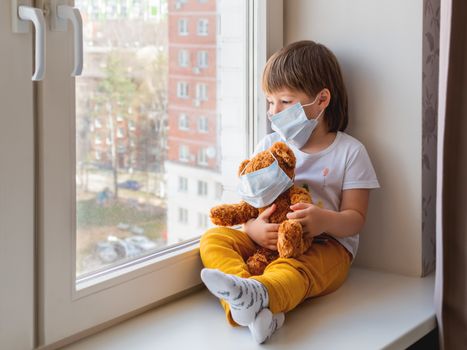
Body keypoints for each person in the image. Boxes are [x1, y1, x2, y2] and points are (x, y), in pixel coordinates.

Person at [199, 40, 380, 344]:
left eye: (284, 101)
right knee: (214, 238)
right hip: (268, 242)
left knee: (293, 269)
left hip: (325, 247)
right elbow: (251, 205)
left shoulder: (350, 152)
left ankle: (256, 298)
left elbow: (356, 218)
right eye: (270, 102)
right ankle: (247, 296)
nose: (273, 112)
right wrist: (253, 229)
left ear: (321, 100)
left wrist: (324, 221)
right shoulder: (268, 146)